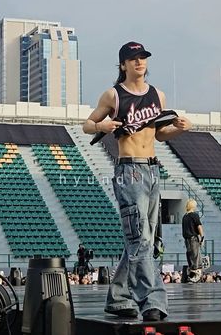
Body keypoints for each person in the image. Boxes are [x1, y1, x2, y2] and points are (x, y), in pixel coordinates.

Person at [82, 41, 192, 321]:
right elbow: (86, 125)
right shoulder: (113, 95)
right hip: (128, 170)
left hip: (153, 169)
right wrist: (102, 126)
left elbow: (159, 135)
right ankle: (152, 300)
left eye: (142, 57)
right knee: (140, 238)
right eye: (133, 59)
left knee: (144, 239)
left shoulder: (158, 95)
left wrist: (179, 129)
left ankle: (118, 298)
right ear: (123, 65)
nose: (139, 62)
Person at [182, 198, 204, 283]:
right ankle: (193, 272)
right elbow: (199, 226)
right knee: (190, 255)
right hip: (188, 238)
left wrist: (202, 237)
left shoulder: (193, 215)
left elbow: (199, 226)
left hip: (192, 238)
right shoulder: (187, 216)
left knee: (194, 256)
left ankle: (196, 273)